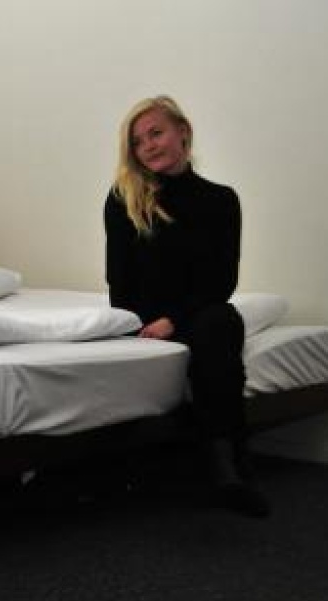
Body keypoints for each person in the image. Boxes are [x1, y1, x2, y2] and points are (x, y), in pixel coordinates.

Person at [103, 95, 270, 518]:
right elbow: (119, 285)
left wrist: (173, 321)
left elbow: (221, 281)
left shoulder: (221, 200)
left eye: (156, 133)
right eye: (138, 141)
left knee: (221, 321)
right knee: (217, 327)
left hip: (197, 312)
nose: (148, 146)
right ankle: (232, 463)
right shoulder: (123, 200)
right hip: (142, 318)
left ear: (183, 132)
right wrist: (147, 323)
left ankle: (225, 462)